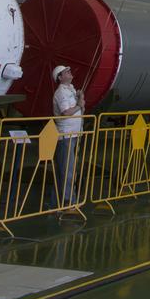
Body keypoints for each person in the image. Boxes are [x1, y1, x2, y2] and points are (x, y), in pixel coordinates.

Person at [52, 65, 85, 206]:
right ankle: (68, 201)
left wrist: (80, 99)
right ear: (60, 77)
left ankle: (68, 198)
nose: (70, 73)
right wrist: (79, 104)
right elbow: (66, 112)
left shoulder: (70, 90)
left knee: (70, 170)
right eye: (67, 72)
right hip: (66, 136)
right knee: (67, 171)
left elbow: (80, 109)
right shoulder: (61, 93)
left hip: (74, 134)